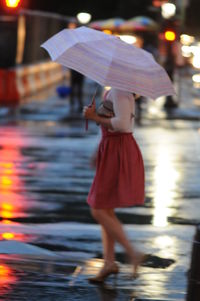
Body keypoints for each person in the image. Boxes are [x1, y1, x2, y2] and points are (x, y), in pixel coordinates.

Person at [83, 88, 146, 283]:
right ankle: (109, 262)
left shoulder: (120, 93)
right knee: (105, 208)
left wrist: (95, 116)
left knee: (98, 210)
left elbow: (123, 124)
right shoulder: (115, 92)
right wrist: (97, 148)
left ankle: (132, 253)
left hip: (117, 150)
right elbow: (110, 123)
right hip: (110, 148)